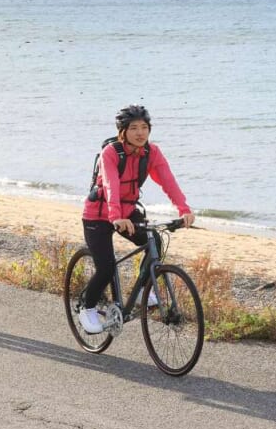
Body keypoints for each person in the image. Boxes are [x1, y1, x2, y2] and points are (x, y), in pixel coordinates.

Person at [79, 104, 195, 334]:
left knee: (155, 241)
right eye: (133, 128)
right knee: (106, 267)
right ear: (123, 131)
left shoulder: (152, 153)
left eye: (144, 127)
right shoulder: (111, 153)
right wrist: (116, 216)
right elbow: (111, 185)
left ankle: (143, 289)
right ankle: (87, 307)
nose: (140, 133)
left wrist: (184, 209)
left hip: (127, 210)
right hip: (99, 214)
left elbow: (167, 181)